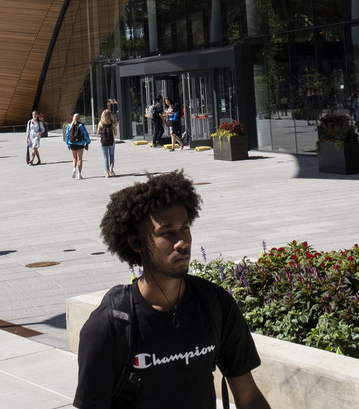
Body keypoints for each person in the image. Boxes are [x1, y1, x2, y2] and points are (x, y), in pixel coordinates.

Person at [73, 171, 270, 409]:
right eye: (167, 233)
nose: (182, 242)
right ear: (136, 242)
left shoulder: (215, 305)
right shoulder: (109, 326)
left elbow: (248, 396)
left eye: (185, 228)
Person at [65, 113, 89, 179]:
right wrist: (87, 142)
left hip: (72, 143)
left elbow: (67, 135)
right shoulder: (81, 125)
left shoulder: (69, 126)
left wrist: (68, 144)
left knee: (74, 158)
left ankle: (74, 169)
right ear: (79, 118)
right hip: (80, 143)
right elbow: (85, 134)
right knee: (80, 158)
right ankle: (79, 174)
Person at [97, 110, 117, 178]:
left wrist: (102, 132)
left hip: (104, 142)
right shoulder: (112, 123)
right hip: (111, 141)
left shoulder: (101, 123)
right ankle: (111, 168)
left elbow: (97, 133)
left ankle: (107, 173)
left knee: (105, 157)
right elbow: (115, 134)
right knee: (111, 155)